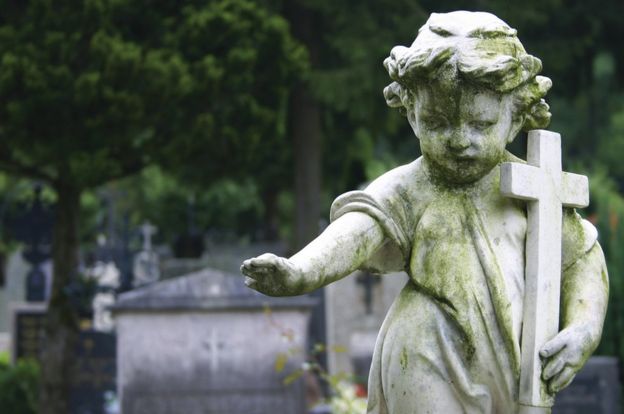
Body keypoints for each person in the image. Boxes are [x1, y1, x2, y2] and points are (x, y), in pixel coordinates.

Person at [241, 11, 608, 413]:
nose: (459, 140)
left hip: (514, 372)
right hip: (425, 350)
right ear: (411, 112)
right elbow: (355, 234)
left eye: (481, 124)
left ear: (515, 116)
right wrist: (300, 272)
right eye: (436, 122)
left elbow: (582, 262)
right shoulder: (411, 188)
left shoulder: (536, 188)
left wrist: (583, 330)